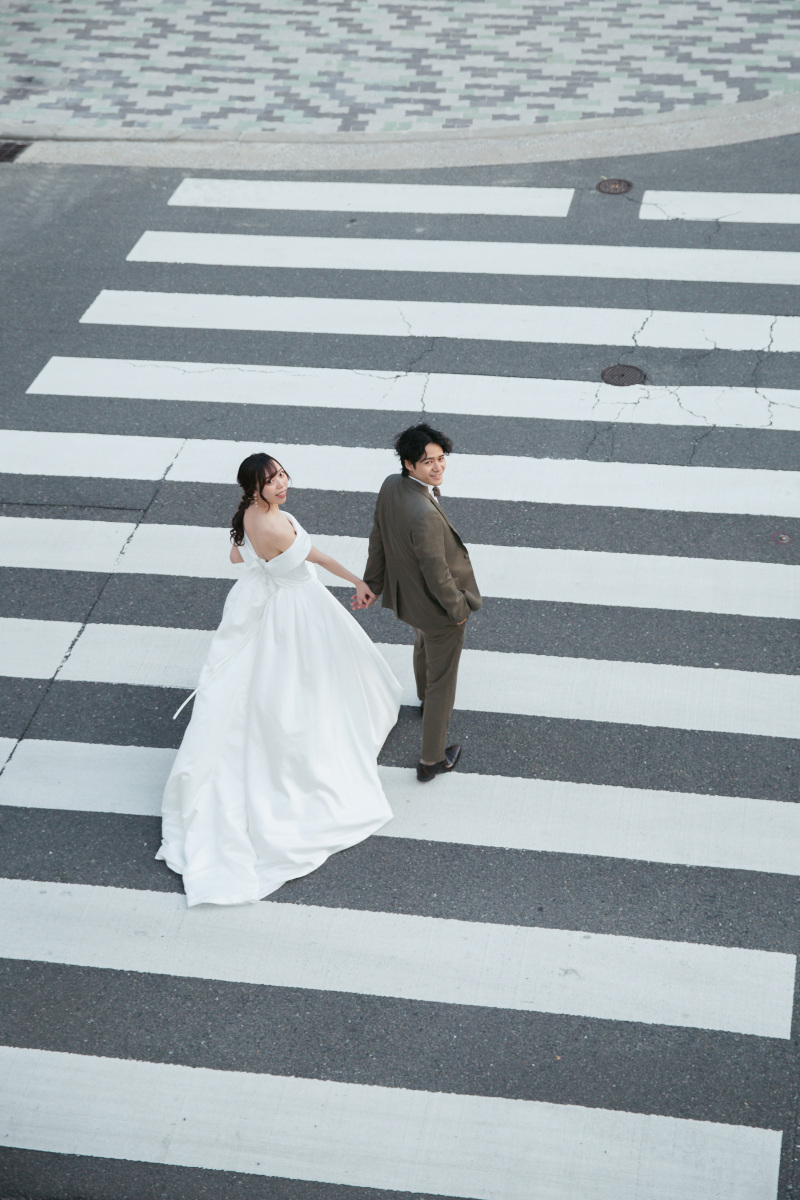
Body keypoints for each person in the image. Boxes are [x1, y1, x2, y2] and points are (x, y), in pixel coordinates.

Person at [156, 452, 402, 907]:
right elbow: (314, 558)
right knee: (306, 682)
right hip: (295, 605)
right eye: (272, 481)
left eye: (283, 474)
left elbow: (236, 554)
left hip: (269, 597)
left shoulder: (250, 515)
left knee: (256, 687)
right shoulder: (272, 525)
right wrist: (357, 580)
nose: (282, 484)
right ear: (254, 488)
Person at [363, 423, 482, 782]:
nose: (437, 467)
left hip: (409, 598)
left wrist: (373, 582)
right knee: (443, 681)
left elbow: (378, 535)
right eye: (427, 461)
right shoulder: (425, 514)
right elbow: (438, 574)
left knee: (422, 643)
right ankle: (432, 760)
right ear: (408, 464)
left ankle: (423, 698)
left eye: (441, 458)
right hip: (437, 606)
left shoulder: (390, 486)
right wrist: (459, 611)